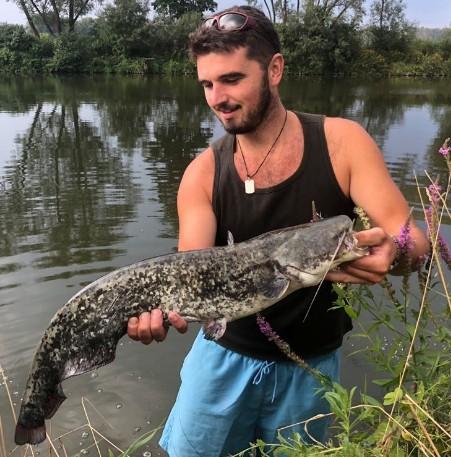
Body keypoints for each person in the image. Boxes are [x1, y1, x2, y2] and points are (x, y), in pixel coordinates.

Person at [127, 5, 429, 456]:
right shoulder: (201, 174)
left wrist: (396, 252)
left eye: (231, 80)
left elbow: (415, 242)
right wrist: (159, 314)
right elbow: (188, 274)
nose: (217, 98)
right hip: (220, 363)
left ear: (274, 69)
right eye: (207, 84)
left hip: (311, 369)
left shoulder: (343, 143)